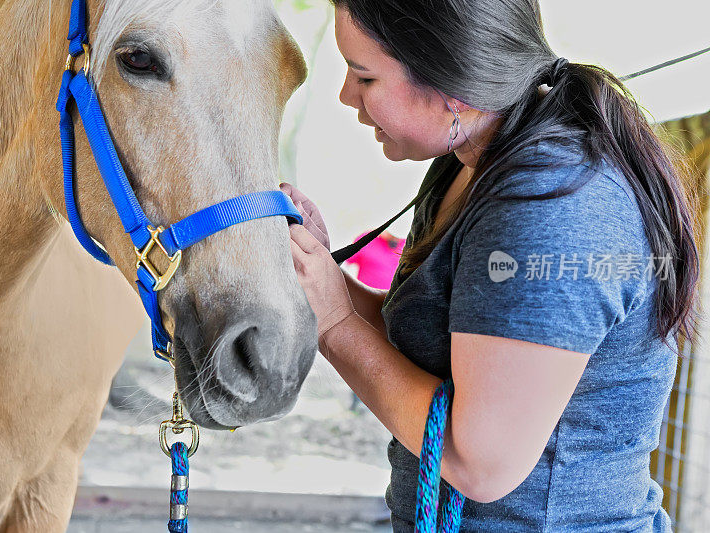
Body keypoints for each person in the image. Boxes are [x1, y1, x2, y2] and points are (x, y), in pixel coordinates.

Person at [280, 0, 702, 531]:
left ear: (453, 80)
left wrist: (336, 325)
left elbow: (478, 463)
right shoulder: (471, 162)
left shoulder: (551, 204)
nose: (346, 95)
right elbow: (446, 344)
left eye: (364, 76)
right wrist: (320, 278)